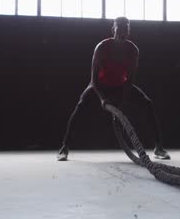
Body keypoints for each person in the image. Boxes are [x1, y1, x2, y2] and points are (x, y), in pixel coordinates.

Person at [57, 17, 170, 161]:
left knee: (147, 103)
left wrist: (121, 101)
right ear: (113, 29)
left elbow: (129, 80)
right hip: (100, 86)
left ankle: (159, 147)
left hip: (120, 86)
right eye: (120, 28)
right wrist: (103, 99)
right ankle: (64, 147)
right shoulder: (102, 47)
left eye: (126, 29)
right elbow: (94, 79)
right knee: (81, 105)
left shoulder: (133, 50)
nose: (123, 32)